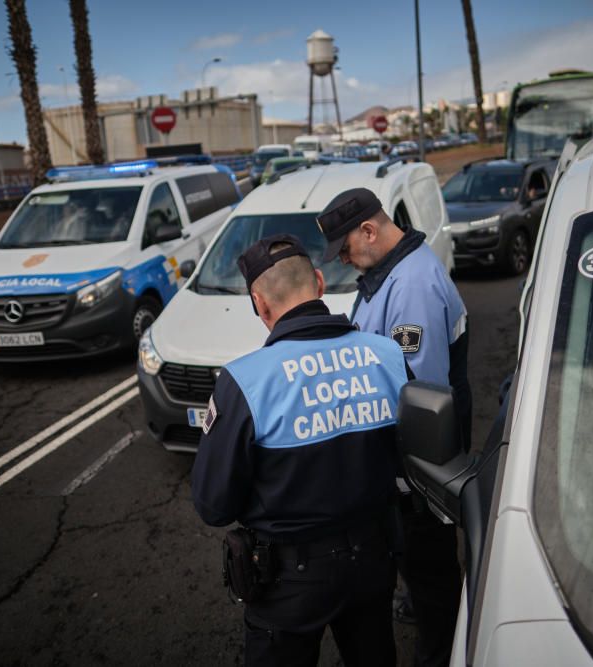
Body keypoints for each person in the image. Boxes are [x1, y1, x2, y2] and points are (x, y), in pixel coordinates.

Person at [191, 233, 410, 667]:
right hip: (373, 560)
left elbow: (214, 504)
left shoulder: (245, 381)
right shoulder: (386, 354)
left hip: (288, 581)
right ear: (319, 282)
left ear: (260, 303)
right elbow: (414, 457)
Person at [318, 187, 470, 667]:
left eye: (345, 249)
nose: (344, 259)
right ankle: (427, 612)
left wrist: (407, 477)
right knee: (414, 557)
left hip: (419, 458)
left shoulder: (413, 287)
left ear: (369, 230)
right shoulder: (388, 275)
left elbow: (418, 396)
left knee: (431, 564)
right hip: (403, 457)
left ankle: (442, 649)